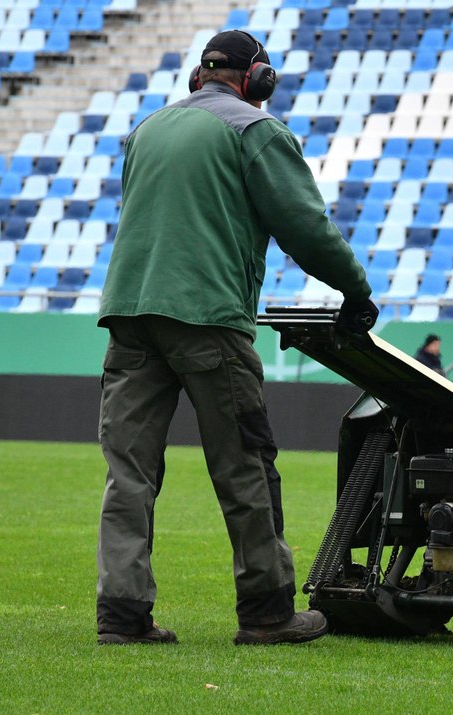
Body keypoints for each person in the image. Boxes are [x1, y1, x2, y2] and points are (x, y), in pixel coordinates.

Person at [93, 30, 378, 647]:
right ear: (258, 81)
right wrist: (356, 291)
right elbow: (306, 229)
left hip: (130, 315)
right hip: (208, 318)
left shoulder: (146, 130)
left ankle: (121, 616)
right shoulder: (256, 130)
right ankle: (268, 612)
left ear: (199, 76)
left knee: (129, 474)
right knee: (245, 467)